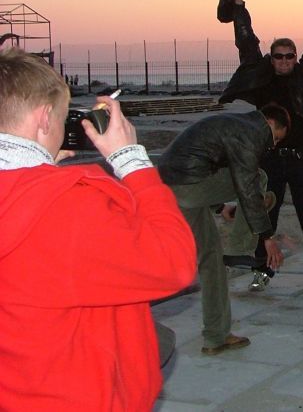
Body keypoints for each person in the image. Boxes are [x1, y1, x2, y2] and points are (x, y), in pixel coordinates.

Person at [0, 48, 196, 410]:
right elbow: (175, 263)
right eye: (62, 119)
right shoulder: (68, 206)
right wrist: (132, 160)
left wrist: (37, 168)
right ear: (44, 118)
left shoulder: (33, 200)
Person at [218, 0, 303, 290]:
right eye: (278, 56)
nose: (284, 61)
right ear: (271, 58)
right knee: (266, 217)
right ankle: (262, 271)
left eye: (289, 56)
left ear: (295, 57)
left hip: (301, 158)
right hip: (269, 159)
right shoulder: (262, 77)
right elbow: (246, 43)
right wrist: (238, 5)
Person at [158, 104, 289, 354]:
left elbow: (206, 163)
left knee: (211, 261)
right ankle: (239, 247)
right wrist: (266, 237)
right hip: (188, 185)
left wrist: (220, 208)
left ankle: (215, 337)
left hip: (172, 186)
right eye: (276, 138)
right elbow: (246, 184)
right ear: (271, 123)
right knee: (258, 179)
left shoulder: (233, 124)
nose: (272, 145)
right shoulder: (251, 132)